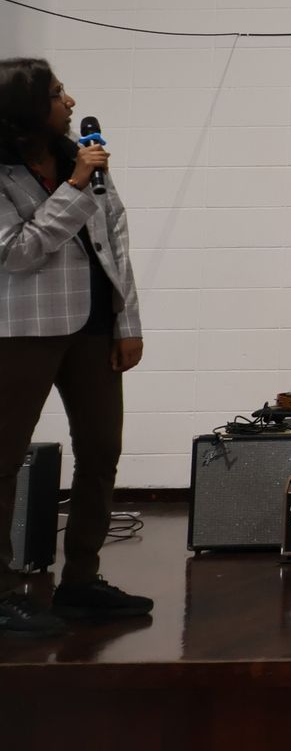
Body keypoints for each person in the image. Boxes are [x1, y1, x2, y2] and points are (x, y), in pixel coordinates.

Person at [0, 59, 152, 636]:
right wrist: (74, 188)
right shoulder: (28, 174)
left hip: (93, 324)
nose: (70, 101)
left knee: (101, 450)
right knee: (4, 459)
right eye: (57, 93)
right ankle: (1, 591)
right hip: (21, 331)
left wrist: (126, 320)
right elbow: (18, 251)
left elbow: (115, 243)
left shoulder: (77, 161)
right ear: (27, 108)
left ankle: (82, 580)